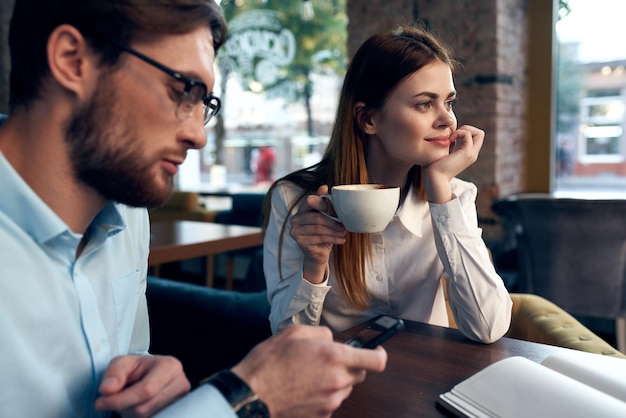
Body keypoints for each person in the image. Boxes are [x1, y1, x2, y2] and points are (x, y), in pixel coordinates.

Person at [0, 1, 386, 417]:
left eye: (206, 103)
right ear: (72, 61)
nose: (198, 135)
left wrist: (145, 376)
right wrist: (240, 399)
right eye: (182, 90)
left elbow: (127, 354)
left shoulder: (129, 215)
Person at [263, 23, 513, 344]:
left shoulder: (454, 196)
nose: (448, 120)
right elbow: (287, 341)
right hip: (337, 382)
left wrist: (439, 188)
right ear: (368, 119)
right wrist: (314, 266)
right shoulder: (297, 200)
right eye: (425, 104)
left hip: (421, 380)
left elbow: (488, 328)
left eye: (449, 102)